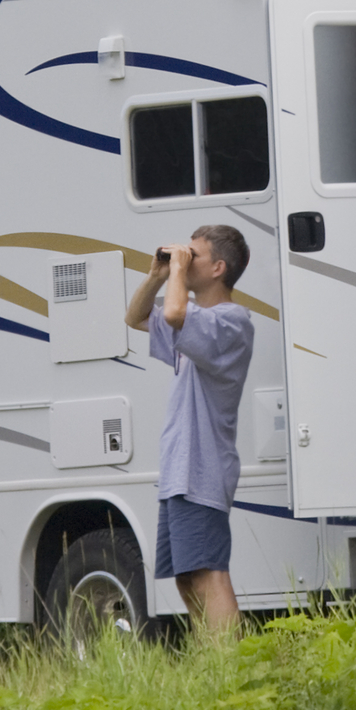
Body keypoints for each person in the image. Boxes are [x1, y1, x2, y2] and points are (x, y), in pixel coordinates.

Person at [122, 224, 255, 633]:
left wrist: (176, 274)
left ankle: (231, 667)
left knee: (208, 573)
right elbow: (135, 317)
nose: (182, 256)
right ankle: (213, 663)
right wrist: (157, 276)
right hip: (181, 469)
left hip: (203, 468)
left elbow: (175, 314)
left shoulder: (230, 322)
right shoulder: (195, 320)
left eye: (192, 254)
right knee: (186, 577)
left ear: (218, 268)